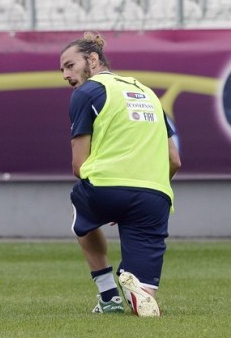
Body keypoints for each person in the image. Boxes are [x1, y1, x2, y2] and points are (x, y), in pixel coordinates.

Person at [59, 32, 181, 317]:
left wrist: (112, 198)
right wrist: (144, 189)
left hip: (105, 188)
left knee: (79, 205)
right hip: (155, 196)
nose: (65, 74)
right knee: (145, 292)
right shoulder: (148, 93)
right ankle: (139, 289)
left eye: (69, 65)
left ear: (92, 59)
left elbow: (79, 166)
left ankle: (108, 295)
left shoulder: (86, 93)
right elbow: (174, 160)